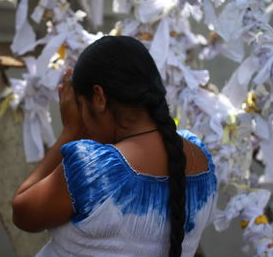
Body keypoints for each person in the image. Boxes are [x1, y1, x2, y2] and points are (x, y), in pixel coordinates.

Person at [12, 36, 218, 257]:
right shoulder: (200, 160)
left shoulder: (94, 170)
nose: (82, 118)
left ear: (99, 97)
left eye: (80, 106)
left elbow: (22, 213)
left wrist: (70, 131)